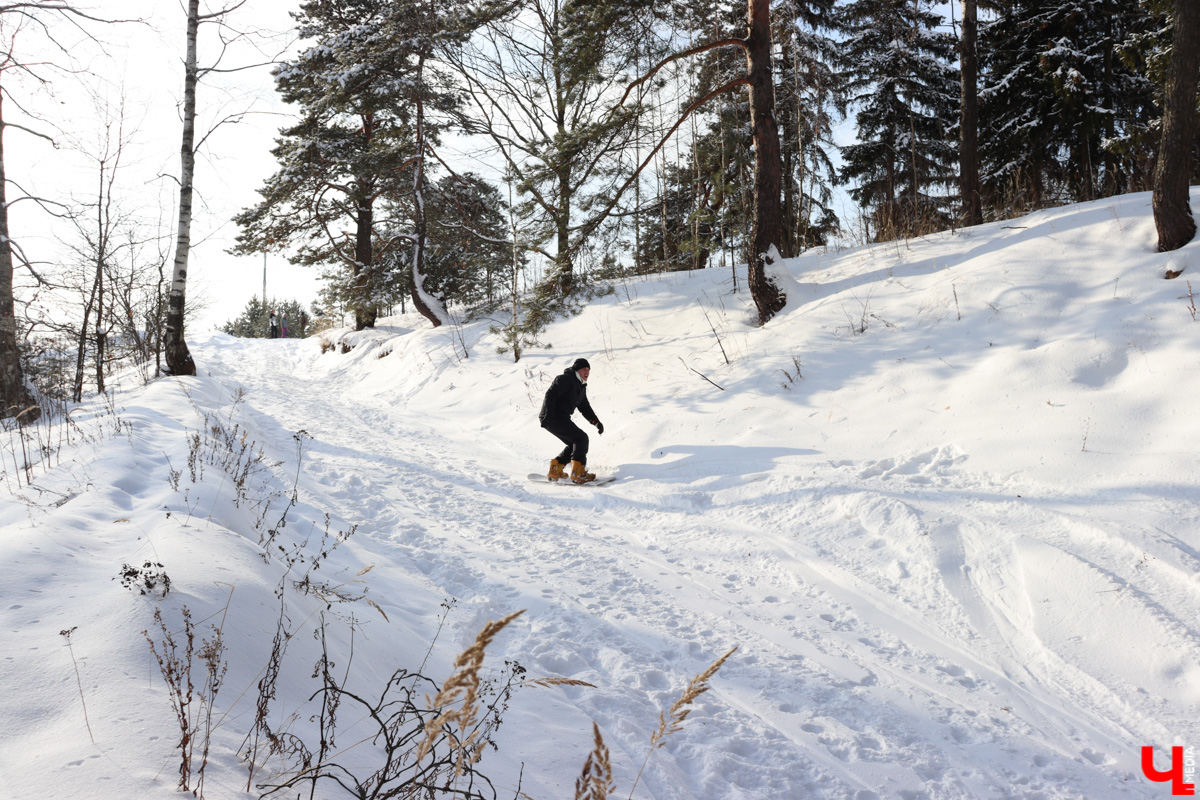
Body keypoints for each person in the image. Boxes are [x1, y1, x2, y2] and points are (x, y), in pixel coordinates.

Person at [539, 357, 604, 483]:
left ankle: (556, 468)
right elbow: (550, 395)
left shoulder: (581, 387)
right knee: (581, 438)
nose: (587, 372)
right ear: (577, 370)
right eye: (584, 369)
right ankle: (578, 472)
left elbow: (584, 407)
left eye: (588, 370)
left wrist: (596, 422)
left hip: (559, 417)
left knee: (574, 443)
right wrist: (548, 415)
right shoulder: (566, 379)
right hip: (553, 416)